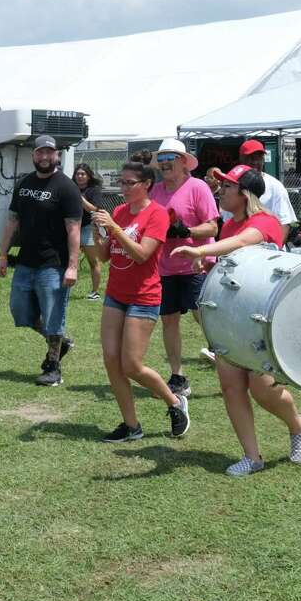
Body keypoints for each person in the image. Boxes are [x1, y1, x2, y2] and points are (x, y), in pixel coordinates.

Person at [172, 165, 301, 476]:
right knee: (231, 386)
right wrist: (208, 265)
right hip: (230, 315)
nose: (220, 191)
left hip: (260, 318)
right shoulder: (227, 225)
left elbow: (244, 243)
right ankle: (252, 456)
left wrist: (202, 250)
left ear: (245, 193)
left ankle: (299, 425)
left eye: (227, 187)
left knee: (262, 389)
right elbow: (231, 265)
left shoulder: (264, 222)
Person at [89, 161, 189, 442]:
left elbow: (142, 254)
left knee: (132, 365)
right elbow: (105, 256)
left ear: (146, 184)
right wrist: (100, 232)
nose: (122, 188)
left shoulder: (157, 214)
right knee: (111, 360)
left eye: (128, 183)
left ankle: (174, 402)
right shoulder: (119, 212)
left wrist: (115, 229)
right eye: (120, 182)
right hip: (116, 294)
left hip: (143, 297)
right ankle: (131, 425)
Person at [0, 134, 81, 386]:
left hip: (53, 265)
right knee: (20, 311)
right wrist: (3, 255)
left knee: (54, 315)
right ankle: (61, 341)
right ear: (33, 155)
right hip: (25, 262)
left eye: (49, 153)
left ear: (57, 155)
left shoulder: (66, 187)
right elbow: (12, 220)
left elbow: (74, 229)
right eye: (40, 153)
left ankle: (53, 366)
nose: (44, 157)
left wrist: (73, 266)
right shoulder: (24, 183)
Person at [149, 138, 220, 397]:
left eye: (171, 159)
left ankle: (231, 360)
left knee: (202, 314)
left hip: (195, 263)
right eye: (162, 160)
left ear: (182, 162)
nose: (165, 164)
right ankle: (177, 376)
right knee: (168, 320)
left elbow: (212, 227)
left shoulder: (197, 187)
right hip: (165, 266)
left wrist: (186, 231)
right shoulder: (155, 191)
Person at [237, 139, 297, 240]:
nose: (255, 162)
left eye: (259, 158)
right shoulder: (234, 184)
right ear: (241, 159)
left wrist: (276, 249)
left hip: (268, 249)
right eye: (251, 158)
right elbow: (229, 220)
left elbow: (284, 223)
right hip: (239, 248)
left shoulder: (275, 186)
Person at [73, 162, 105, 300]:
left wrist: (79, 197)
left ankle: (95, 292)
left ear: (88, 176)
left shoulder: (94, 190)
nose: (80, 176)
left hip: (88, 228)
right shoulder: (69, 187)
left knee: (93, 261)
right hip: (71, 227)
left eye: (83, 174)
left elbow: (94, 209)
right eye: (77, 174)